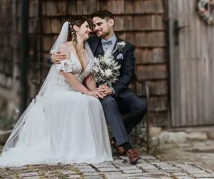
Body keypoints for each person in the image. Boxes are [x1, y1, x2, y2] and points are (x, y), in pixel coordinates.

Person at [0, 17, 112, 167]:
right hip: (59, 90)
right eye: (86, 26)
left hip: (76, 90)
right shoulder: (64, 48)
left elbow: (89, 79)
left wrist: (96, 92)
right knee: (81, 100)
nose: (90, 30)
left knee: (93, 102)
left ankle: (89, 149)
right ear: (75, 28)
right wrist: (87, 93)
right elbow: (68, 76)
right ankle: (73, 150)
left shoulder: (87, 50)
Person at [52, 10, 147, 165]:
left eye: (99, 24)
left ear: (111, 22)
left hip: (118, 91)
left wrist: (113, 89)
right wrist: (52, 58)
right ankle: (128, 147)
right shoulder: (90, 42)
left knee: (140, 106)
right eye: (94, 25)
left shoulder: (126, 47)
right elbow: (70, 51)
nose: (95, 28)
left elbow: (128, 75)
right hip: (99, 91)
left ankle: (117, 139)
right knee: (109, 103)